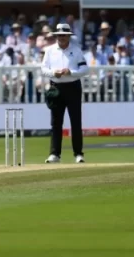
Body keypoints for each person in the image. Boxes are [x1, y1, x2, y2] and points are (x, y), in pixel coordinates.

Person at [42, 23, 88, 163]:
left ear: (69, 36)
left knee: (75, 121)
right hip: (56, 87)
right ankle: (55, 154)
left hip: (73, 87)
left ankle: (78, 154)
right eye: (59, 35)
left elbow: (85, 69)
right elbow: (44, 69)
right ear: (56, 36)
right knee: (56, 122)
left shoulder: (76, 50)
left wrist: (71, 72)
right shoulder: (50, 50)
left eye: (64, 35)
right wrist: (53, 73)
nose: (61, 38)